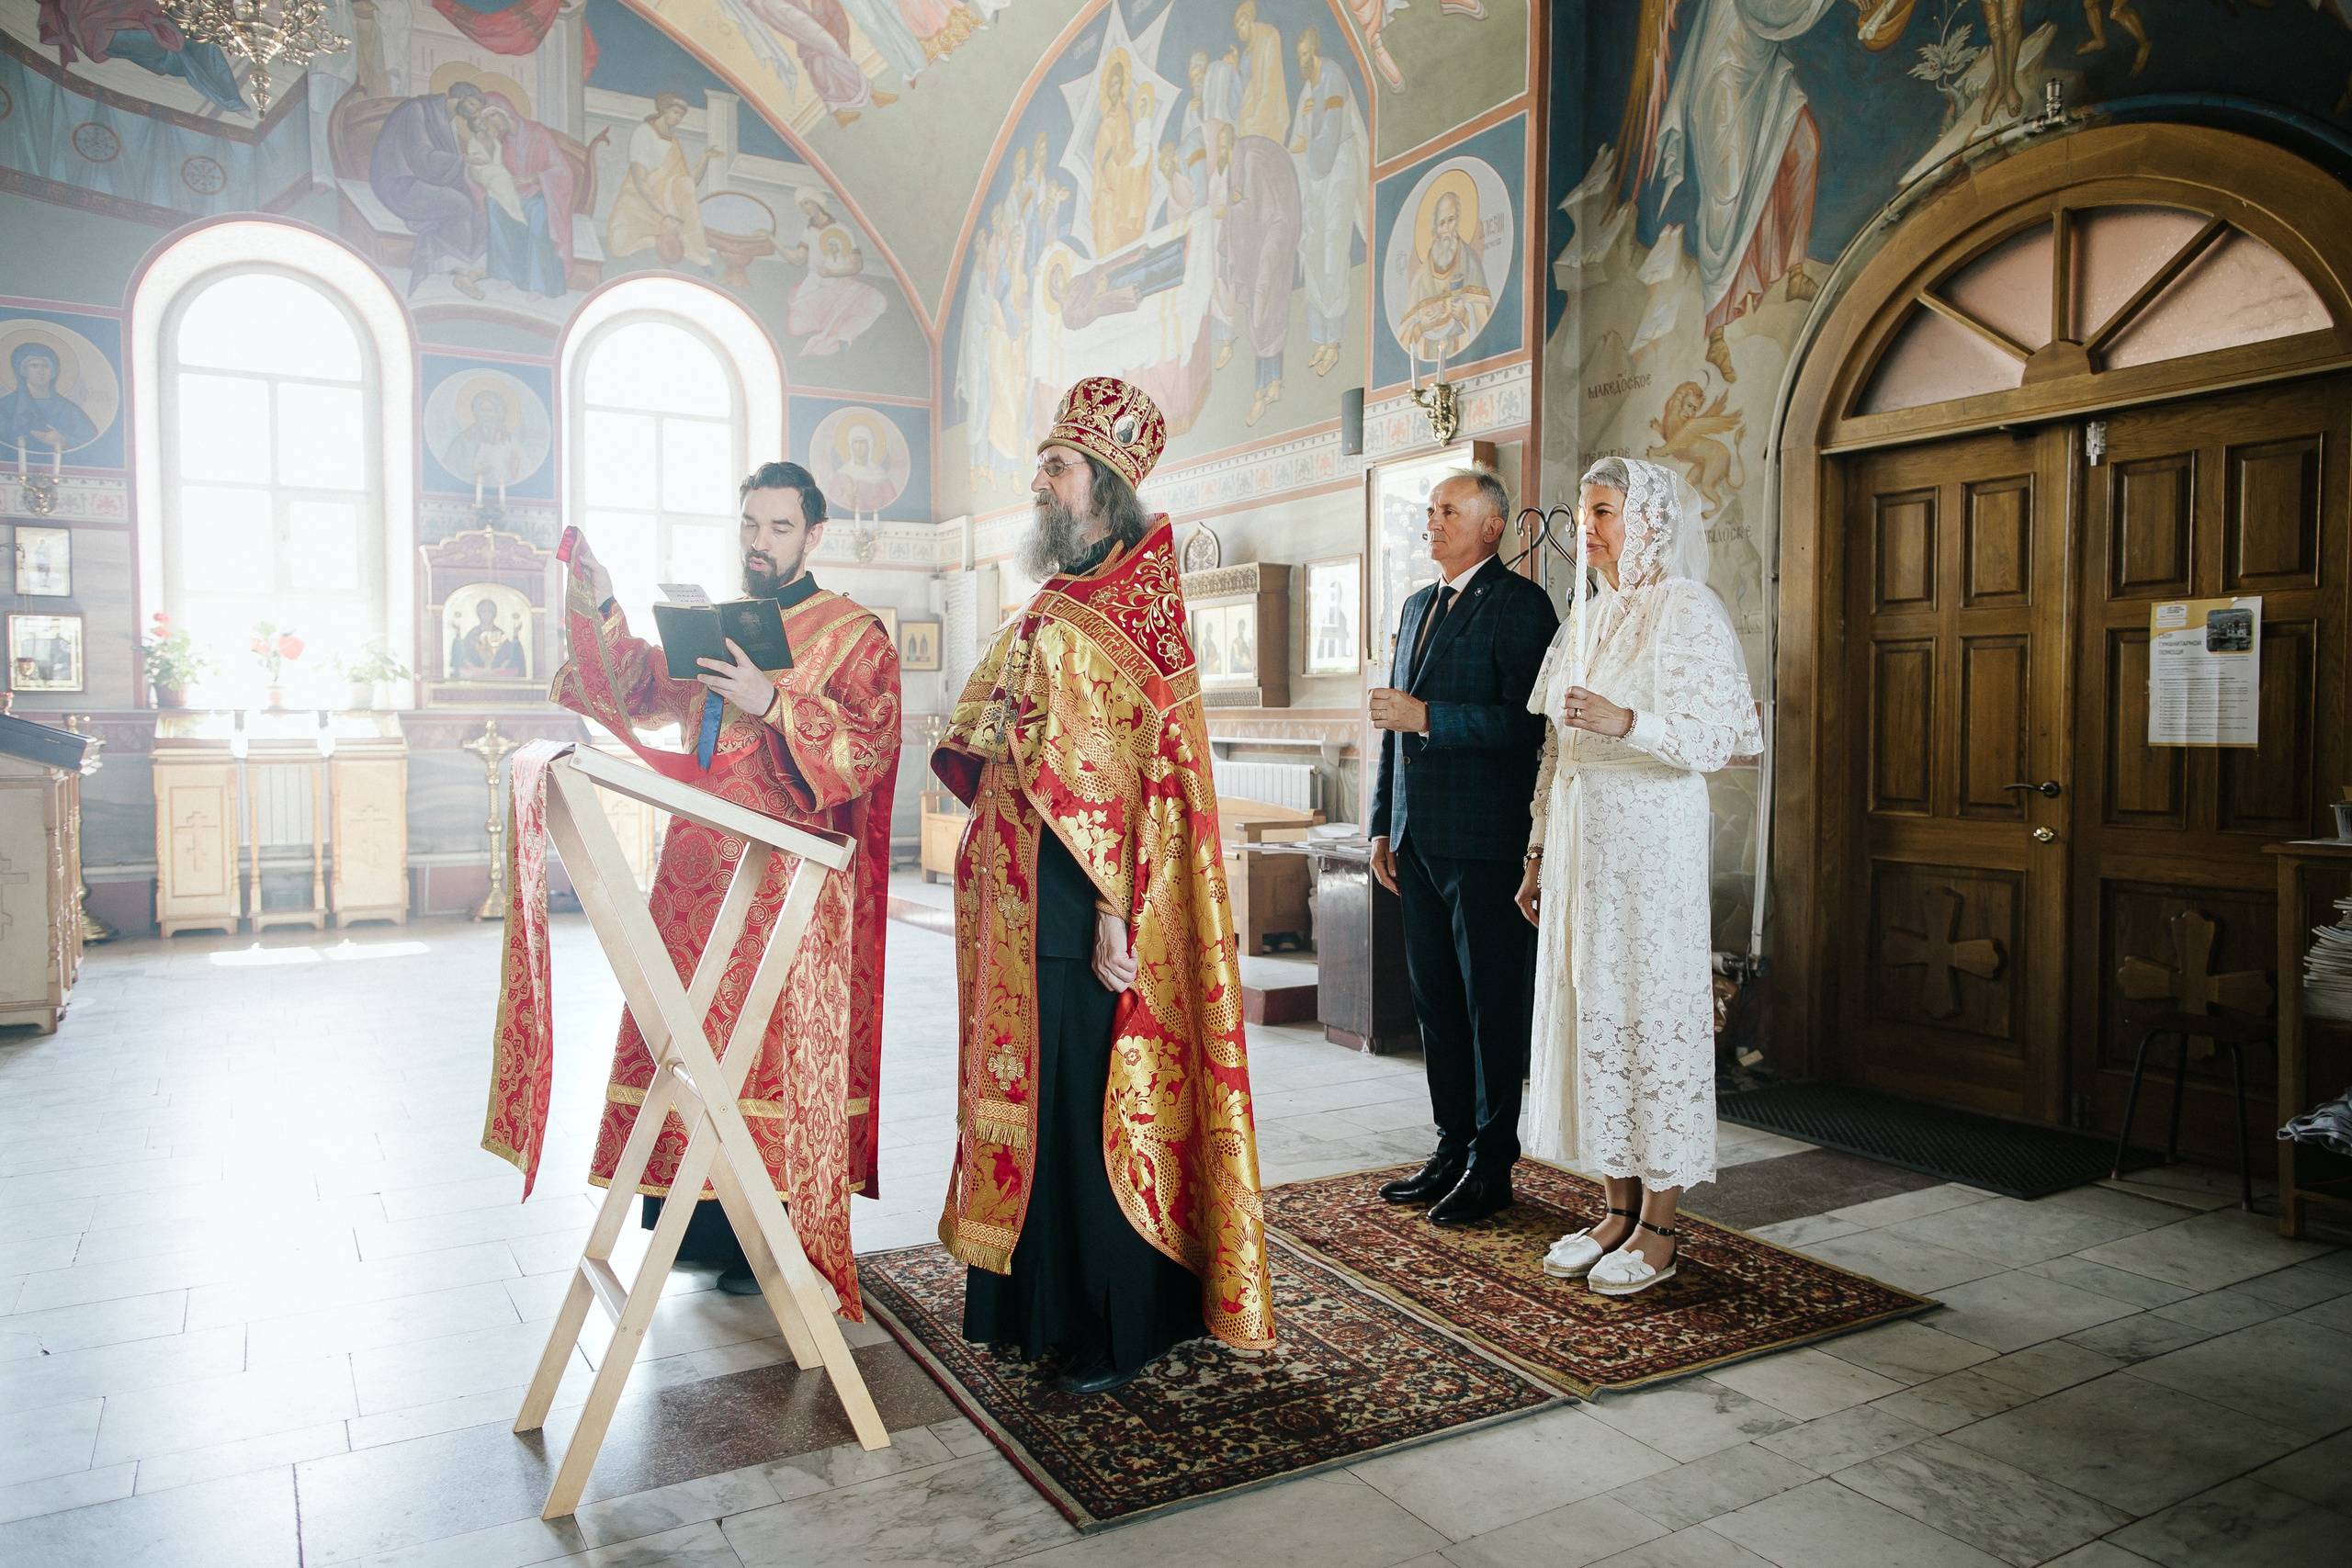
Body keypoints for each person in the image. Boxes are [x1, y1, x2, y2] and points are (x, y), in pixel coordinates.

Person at [933, 375, 1275, 1394]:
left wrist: (1118, 913)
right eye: (1041, 463)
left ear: (1107, 488)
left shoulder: (1134, 610)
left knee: (1088, 1112)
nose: (1039, 481)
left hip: (1086, 910)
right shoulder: (1057, 601)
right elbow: (1002, 729)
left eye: (1058, 466)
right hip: (1021, 897)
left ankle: (1112, 1328)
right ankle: (1033, 1310)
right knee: (1034, 1106)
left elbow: (1138, 780)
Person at [550, 462, 901, 1295]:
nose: (760, 542)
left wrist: (772, 701)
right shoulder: (715, 620)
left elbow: (873, 745)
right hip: (695, 869)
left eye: (779, 528)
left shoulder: (854, 635)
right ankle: (697, 1229)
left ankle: (764, 1236)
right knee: (690, 1038)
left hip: (783, 878)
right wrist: (602, 602)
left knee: (762, 1049)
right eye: (750, 524)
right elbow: (639, 685)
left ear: (814, 534)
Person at [1519, 457, 1760, 1296]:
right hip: (1584, 845)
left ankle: (1661, 1223)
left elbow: (1718, 741)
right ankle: (1614, 1207)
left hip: (1653, 846)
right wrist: (1537, 850)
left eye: (1606, 511)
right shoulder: (1587, 618)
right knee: (1595, 1011)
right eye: (1584, 511)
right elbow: (1557, 750)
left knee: (1651, 1013)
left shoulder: (1686, 610)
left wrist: (1631, 720)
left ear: (1648, 519)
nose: (1589, 526)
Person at [1367, 467, 1556, 1225]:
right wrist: (1383, 821)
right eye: (1430, 510)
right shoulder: (1417, 605)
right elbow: (1392, 722)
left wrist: (1433, 719)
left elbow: (1530, 725)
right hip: (1418, 838)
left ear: (1491, 526)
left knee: (1488, 1006)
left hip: (1486, 842)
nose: (1432, 521)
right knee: (1436, 1005)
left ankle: (1492, 1161)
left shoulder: (1521, 605)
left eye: (1449, 510)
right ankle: (1449, 1146)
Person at [607, 92, 716, 269]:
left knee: (685, 185)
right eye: (675, 112)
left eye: (681, 115)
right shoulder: (644, 132)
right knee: (624, 245)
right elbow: (639, 180)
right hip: (642, 201)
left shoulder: (673, 140)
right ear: (664, 110)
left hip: (670, 201)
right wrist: (663, 213)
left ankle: (699, 255)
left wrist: (706, 157)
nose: (678, 118)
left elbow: (689, 182)